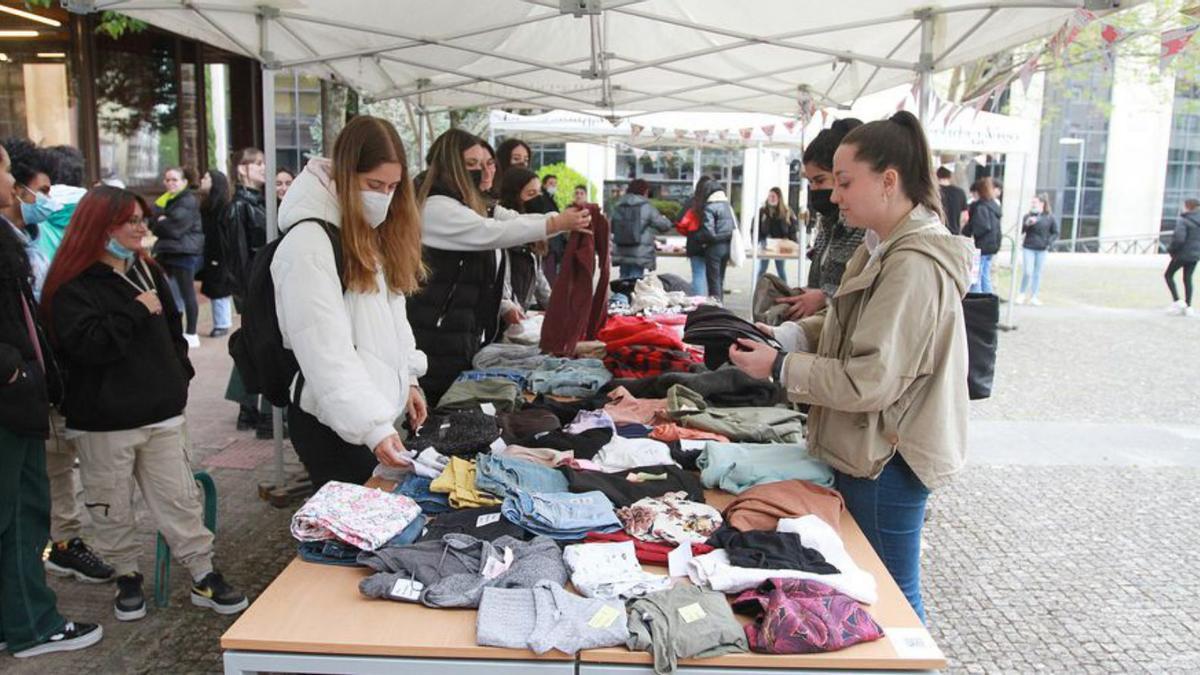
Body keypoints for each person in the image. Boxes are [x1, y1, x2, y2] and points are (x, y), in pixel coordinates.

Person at [729, 111, 971, 623]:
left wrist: (782, 366)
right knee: (876, 582)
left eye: (843, 182)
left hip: (887, 455)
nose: (834, 196)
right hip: (873, 446)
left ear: (888, 181)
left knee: (891, 594)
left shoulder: (911, 263)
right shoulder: (881, 248)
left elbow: (870, 380)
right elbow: (848, 324)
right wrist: (789, 336)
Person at [41, 185, 248, 623]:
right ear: (99, 228)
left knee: (180, 499)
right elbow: (88, 347)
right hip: (102, 422)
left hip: (162, 414)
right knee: (110, 504)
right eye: (130, 221)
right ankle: (127, 576)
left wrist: (179, 376)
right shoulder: (71, 286)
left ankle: (203, 572)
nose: (140, 228)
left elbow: (173, 328)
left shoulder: (147, 270)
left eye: (141, 219)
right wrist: (135, 311)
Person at [273, 116, 429, 488]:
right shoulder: (309, 242)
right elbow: (325, 352)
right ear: (345, 174)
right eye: (373, 184)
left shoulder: (369, 234)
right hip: (334, 424)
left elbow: (393, 317)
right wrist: (372, 427)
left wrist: (407, 379)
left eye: (392, 187)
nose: (384, 196)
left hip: (366, 418)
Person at [0, 145, 105, 659]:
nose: (12, 183)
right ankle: (32, 625)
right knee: (19, 513)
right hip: (10, 401)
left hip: (21, 396)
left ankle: (16, 618)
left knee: (22, 510)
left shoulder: (13, 235)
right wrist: (14, 370)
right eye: (3, 171)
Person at [411, 128, 590, 403]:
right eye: (471, 165)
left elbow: (511, 221)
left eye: (487, 164)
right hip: (434, 337)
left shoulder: (476, 205)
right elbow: (491, 232)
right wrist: (556, 223)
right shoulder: (436, 207)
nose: (484, 172)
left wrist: (560, 220)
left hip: (461, 333)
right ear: (450, 166)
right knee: (436, 409)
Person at [775, 119, 866, 322]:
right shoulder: (826, 224)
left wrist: (825, 297)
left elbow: (867, 296)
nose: (814, 190)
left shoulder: (870, 229)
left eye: (820, 180)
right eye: (809, 182)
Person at [219, 148, 271, 435]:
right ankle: (250, 407)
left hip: (257, 285)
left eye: (264, 163)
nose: (264, 168)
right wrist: (248, 293)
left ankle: (249, 407)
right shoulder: (239, 207)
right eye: (258, 163)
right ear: (242, 169)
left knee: (254, 343)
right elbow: (238, 256)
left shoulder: (257, 203)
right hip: (252, 287)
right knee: (254, 343)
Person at [151, 167, 204, 348]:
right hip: (167, 251)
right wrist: (160, 220)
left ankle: (191, 333)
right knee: (164, 292)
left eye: (174, 180)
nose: (170, 183)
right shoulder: (166, 200)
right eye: (167, 180)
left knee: (187, 293)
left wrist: (162, 222)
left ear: (184, 182)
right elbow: (151, 221)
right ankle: (171, 330)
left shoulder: (187, 200)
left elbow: (173, 228)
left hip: (183, 252)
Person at [497, 167, 553, 313]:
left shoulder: (534, 236)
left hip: (518, 314)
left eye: (539, 192)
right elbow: (502, 282)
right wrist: (509, 308)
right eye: (531, 193)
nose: (538, 198)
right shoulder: (503, 232)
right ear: (514, 197)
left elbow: (539, 277)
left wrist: (555, 307)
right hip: (502, 318)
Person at [611, 178, 672, 280]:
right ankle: (623, 296)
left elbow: (612, 227)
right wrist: (665, 219)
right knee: (635, 285)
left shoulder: (618, 206)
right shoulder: (646, 207)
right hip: (639, 253)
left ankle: (620, 296)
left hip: (622, 250)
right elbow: (664, 225)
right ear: (644, 191)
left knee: (622, 283)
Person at [685, 175, 736, 301]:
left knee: (713, 282)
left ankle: (714, 308)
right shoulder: (726, 205)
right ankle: (721, 305)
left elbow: (709, 232)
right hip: (726, 246)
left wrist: (697, 237)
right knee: (720, 280)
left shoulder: (710, 206)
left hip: (714, 249)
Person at [197, 169, 233, 337]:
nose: (202, 180)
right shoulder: (207, 204)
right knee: (215, 286)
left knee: (219, 287)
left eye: (206, 177)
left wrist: (220, 255)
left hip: (219, 253)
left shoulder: (222, 207)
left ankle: (222, 323)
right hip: (210, 252)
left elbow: (222, 235)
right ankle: (221, 322)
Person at [1017, 193, 1058, 306]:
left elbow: (1055, 232)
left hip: (1042, 248)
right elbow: (1021, 231)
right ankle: (1022, 293)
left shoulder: (1049, 217)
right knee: (1028, 271)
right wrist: (1027, 224)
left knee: (1037, 273)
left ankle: (1034, 295)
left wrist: (1048, 243)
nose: (1033, 205)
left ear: (1042, 204)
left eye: (1035, 202)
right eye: (1032, 202)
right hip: (1029, 246)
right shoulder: (1028, 216)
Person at [963, 176, 1001, 294]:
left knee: (976, 277)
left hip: (982, 246)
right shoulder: (993, 206)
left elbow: (982, 226)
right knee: (985, 275)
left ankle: (978, 299)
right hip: (992, 245)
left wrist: (968, 231)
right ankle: (988, 299)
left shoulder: (980, 207)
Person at [755, 187, 799, 283]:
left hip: (781, 243)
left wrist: (794, 242)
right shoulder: (763, 210)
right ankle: (757, 288)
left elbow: (793, 228)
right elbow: (755, 226)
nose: (771, 198)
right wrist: (756, 241)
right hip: (766, 241)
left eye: (774, 196)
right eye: (770, 196)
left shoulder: (786, 211)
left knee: (781, 269)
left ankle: (785, 289)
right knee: (762, 268)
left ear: (779, 198)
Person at [1165, 198, 1200, 317]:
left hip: (1182, 254)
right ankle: (1188, 306)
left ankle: (1177, 301)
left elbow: (1179, 238)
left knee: (1168, 275)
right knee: (1188, 278)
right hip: (1195, 255)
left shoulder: (1183, 220)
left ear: (1187, 207)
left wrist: (1171, 249)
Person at [936, 166, 967, 235]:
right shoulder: (960, 192)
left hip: (936, 232)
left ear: (937, 176)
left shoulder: (934, 192)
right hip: (954, 233)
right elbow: (964, 217)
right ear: (950, 176)